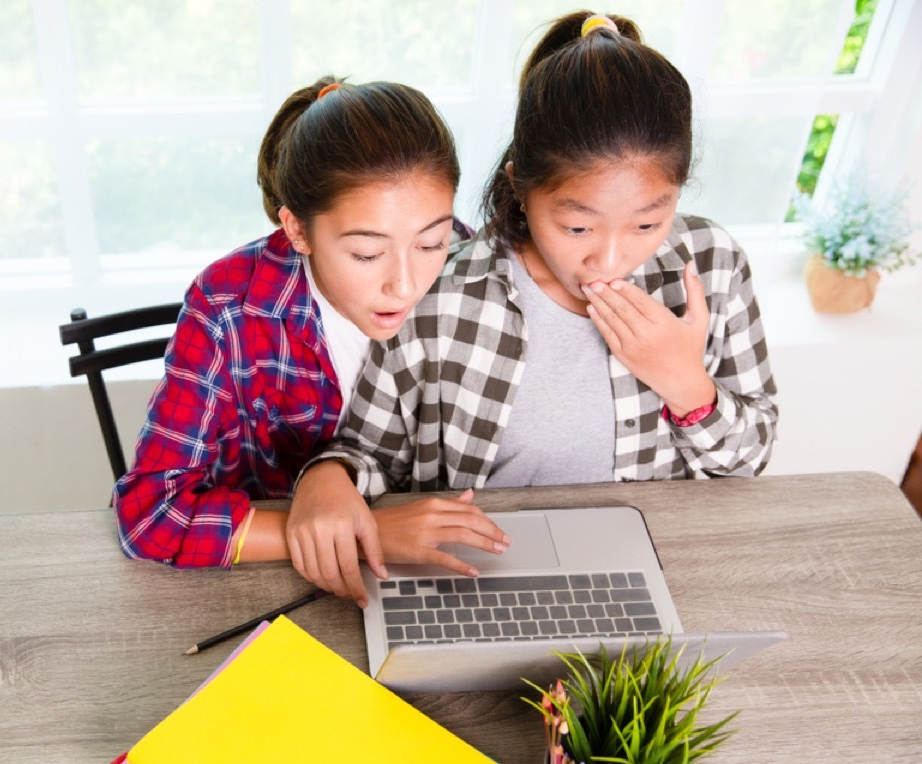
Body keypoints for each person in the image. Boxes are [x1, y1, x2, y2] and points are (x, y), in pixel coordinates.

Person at [287, 12, 779, 603]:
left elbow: (749, 462)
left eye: (649, 222)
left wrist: (688, 387)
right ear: (520, 185)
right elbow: (368, 452)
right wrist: (325, 477)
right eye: (576, 226)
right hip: (472, 578)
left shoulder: (713, 265)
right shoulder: (442, 289)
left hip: (654, 577)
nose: (611, 259)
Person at [113, 76, 509, 575]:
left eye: (431, 242)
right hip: (280, 580)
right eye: (367, 253)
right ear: (297, 229)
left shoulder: (471, 277)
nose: (405, 285)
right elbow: (150, 515)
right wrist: (358, 531)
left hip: (437, 567)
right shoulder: (229, 307)